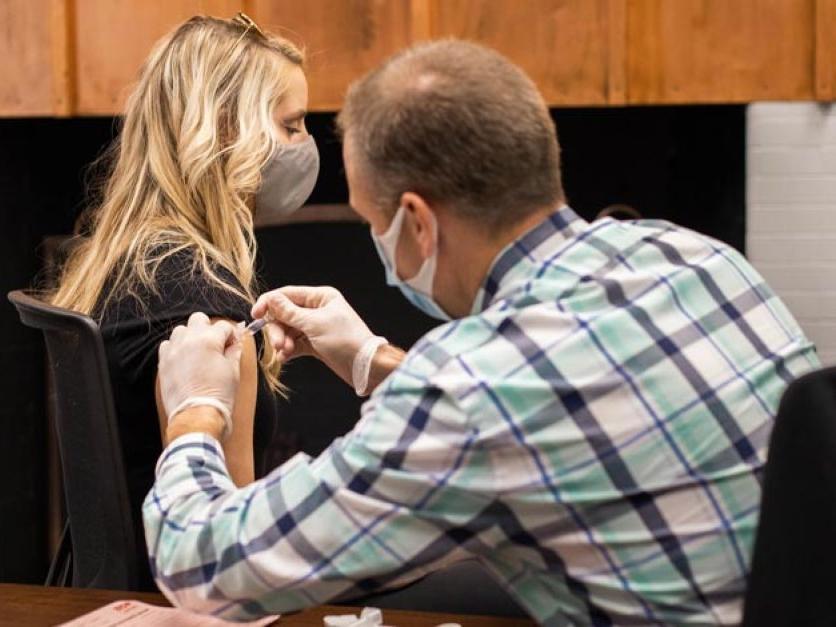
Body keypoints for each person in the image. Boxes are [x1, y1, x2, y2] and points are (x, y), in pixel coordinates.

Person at [144, 40, 818, 624]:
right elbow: (556, 415)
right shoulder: (696, 257)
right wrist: (369, 358)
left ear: (418, 222)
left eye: (370, 221)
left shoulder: (470, 389)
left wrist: (195, 408)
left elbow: (203, 566)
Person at [50, 14, 318, 589]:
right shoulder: (205, 305)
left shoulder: (124, 260)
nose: (305, 146)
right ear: (226, 130)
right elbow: (232, 561)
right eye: (293, 125)